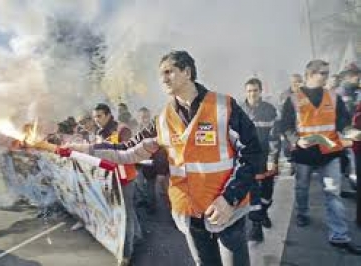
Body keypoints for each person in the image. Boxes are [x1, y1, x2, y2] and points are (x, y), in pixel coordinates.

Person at [63, 50, 261, 266]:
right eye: (161, 75)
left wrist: (229, 198)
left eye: (169, 72)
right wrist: (86, 149)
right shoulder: (163, 118)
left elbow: (251, 153)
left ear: (187, 72)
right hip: (189, 212)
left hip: (226, 211)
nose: (163, 79)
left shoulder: (224, 107)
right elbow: (126, 150)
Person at [281, 59, 361, 255]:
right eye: (323, 73)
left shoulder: (334, 98)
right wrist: (295, 140)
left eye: (327, 73)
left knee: (333, 193)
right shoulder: (292, 99)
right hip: (304, 154)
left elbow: (343, 123)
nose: (326, 77)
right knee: (301, 188)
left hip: (330, 152)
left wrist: (352, 132)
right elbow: (286, 126)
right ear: (310, 75)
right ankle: (302, 212)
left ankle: (339, 236)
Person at [92, 103, 142, 266]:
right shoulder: (99, 133)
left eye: (99, 116)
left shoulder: (122, 130)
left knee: (125, 214)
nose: (96, 120)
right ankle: (137, 235)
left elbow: (127, 151)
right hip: (110, 178)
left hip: (125, 177)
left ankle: (126, 254)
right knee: (128, 210)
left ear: (108, 115)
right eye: (94, 117)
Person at [241, 78, 280, 242]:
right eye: (249, 91)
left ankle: (263, 212)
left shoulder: (270, 110)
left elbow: (275, 137)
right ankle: (256, 226)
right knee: (253, 193)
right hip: (248, 160)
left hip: (266, 158)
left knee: (267, 193)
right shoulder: (239, 110)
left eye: (255, 90)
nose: (252, 94)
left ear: (261, 91)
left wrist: (272, 159)